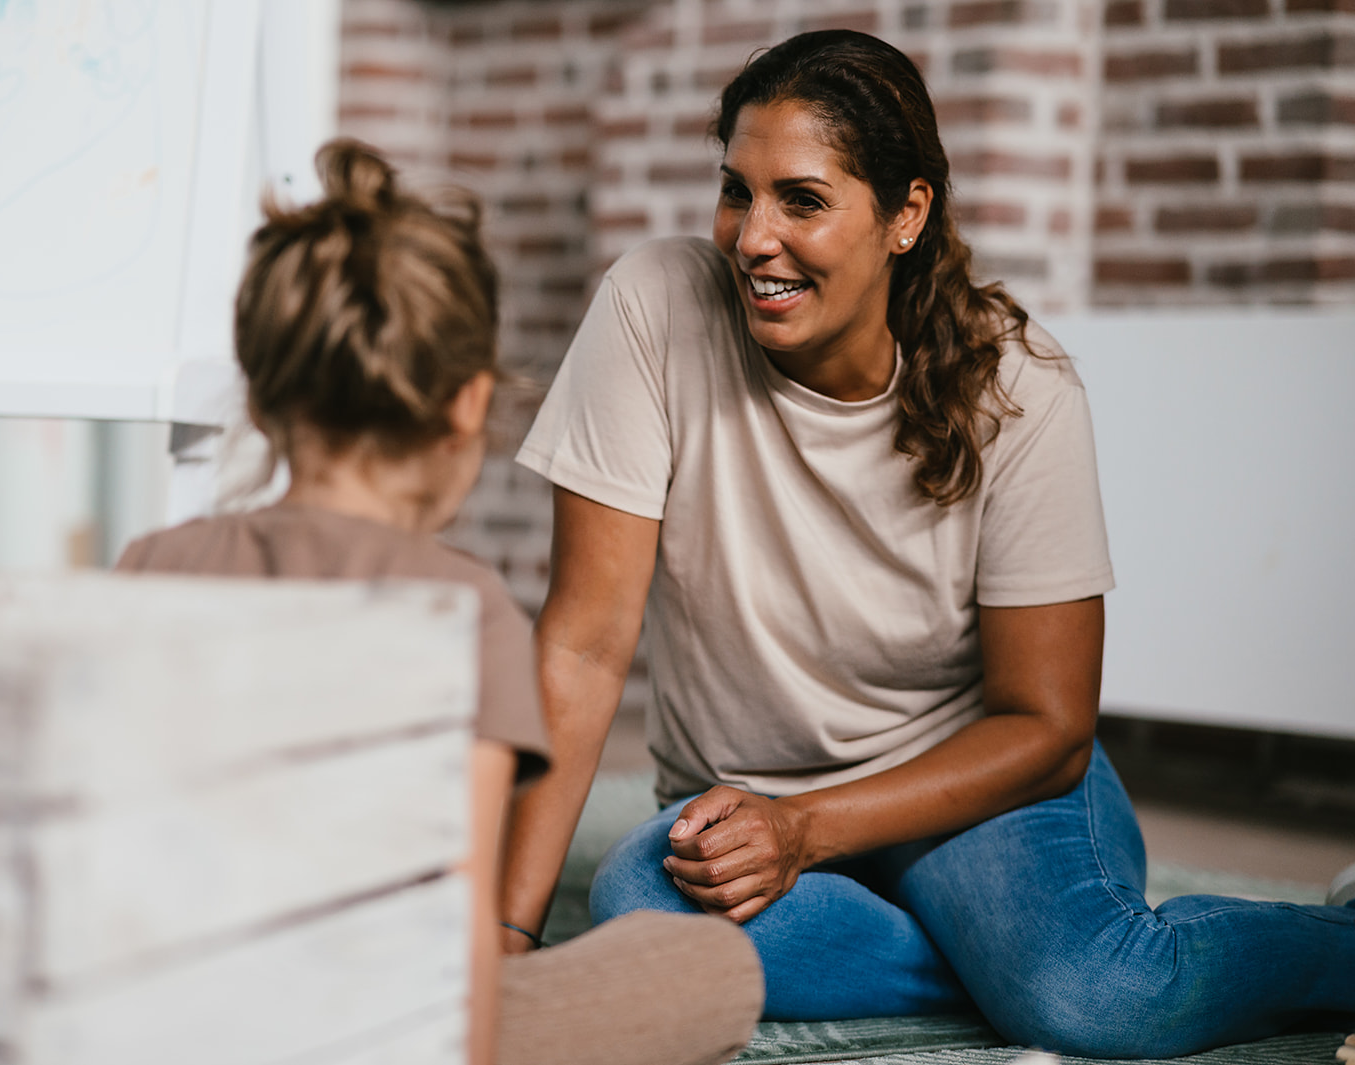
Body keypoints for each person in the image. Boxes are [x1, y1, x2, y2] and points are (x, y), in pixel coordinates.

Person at [502, 28, 1355, 1059]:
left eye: (802, 200)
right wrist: (505, 938)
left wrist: (805, 830)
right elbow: (585, 643)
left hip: (974, 795)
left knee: (1100, 998)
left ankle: (1328, 941)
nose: (751, 237)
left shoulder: (1020, 391)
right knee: (639, 900)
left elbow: (1045, 728)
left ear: (905, 214)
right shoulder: (654, 306)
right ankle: (999, 963)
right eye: (736, 189)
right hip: (745, 797)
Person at [115, 139, 763, 1065]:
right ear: (467, 404)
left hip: (168, 1006)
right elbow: (455, 947)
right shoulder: (460, 608)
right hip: (375, 1023)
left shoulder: (153, 564)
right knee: (706, 963)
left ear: (259, 399)